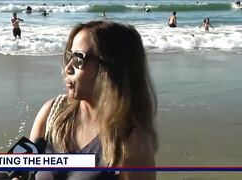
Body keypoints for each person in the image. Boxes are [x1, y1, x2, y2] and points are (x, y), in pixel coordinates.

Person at [30, 20, 158, 180]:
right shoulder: (52, 113)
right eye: (69, 56)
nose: (68, 68)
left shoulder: (131, 142)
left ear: (110, 68)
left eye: (79, 59)